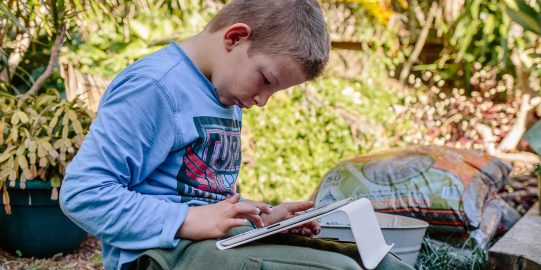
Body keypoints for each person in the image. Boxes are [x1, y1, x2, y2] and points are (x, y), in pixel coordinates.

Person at [59, 0, 414, 269]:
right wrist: (186, 220)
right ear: (235, 38)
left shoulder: (224, 90)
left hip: (213, 244)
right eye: (266, 81)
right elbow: (83, 193)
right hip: (157, 255)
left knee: (383, 262)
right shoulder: (155, 87)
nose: (262, 101)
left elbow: (202, 193)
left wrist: (259, 220)